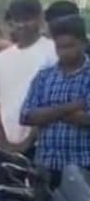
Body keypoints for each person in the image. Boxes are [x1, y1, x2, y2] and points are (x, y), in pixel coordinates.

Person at [0, 0, 58, 157]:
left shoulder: (53, 53)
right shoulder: (1, 59)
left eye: (28, 19)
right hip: (3, 147)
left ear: (40, 19)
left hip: (41, 145)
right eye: (17, 20)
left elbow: (51, 102)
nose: (22, 25)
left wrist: (28, 142)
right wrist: (2, 142)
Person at [21, 15, 90, 176]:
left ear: (83, 43)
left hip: (84, 167)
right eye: (60, 47)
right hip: (46, 167)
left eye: (70, 46)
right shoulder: (44, 76)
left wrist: (47, 114)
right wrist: (68, 108)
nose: (64, 52)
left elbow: (85, 119)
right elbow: (26, 116)